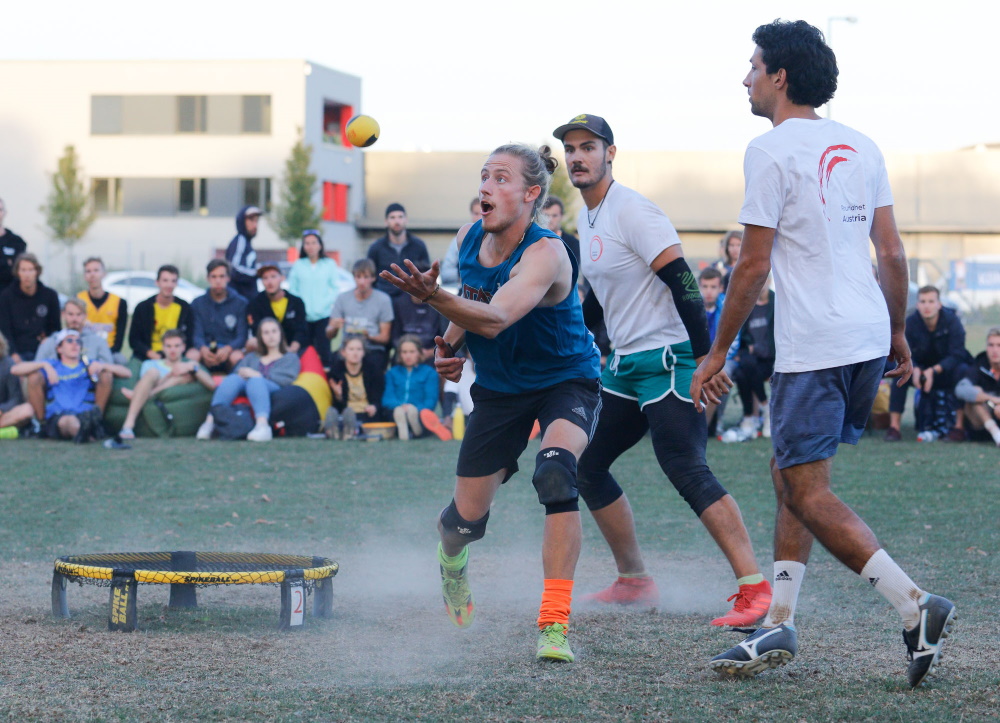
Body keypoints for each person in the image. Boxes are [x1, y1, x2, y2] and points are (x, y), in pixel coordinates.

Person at [692, 20, 954, 688]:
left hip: (815, 345)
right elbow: (890, 253)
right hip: (866, 334)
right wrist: (896, 332)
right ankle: (779, 620)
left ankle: (915, 604)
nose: (745, 76)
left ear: (779, 76)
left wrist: (716, 351)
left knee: (807, 489)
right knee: (790, 477)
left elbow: (751, 266)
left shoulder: (769, 149)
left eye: (752, 65)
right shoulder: (862, 145)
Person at [380, 142, 602, 663]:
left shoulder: (547, 252)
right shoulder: (467, 238)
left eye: (501, 178)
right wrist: (448, 346)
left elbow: (499, 316)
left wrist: (432, 298)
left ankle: (553, 623)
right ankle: (451, 563)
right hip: (501, 390)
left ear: (529, 194)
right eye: (484, 176)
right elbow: (475, 305)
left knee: (556, 473)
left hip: (565, 380)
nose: (486, 186)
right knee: (462, 522)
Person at [555, 114, 770, 626]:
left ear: (611, 153)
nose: (578, 156)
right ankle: (634, 581)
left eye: (588, 147)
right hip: (625, 365)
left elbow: (686, 283)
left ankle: (755, 588)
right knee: (586, 465)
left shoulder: (633, 209)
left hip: (671, 360)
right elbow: (600, 301)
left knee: (683, 464)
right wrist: (568, 343)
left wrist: (706, 357)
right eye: (570, 149)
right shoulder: (587, 216)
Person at [885, 286, 973, 442]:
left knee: (962, 370)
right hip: (919, 370)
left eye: (931, 301)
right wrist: (916, 368)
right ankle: (894, 428)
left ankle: (958, 427)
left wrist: (933, 371)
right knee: (901, 374)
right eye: (923, 301)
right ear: (917, 304)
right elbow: (903, 352)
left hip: (946, 371)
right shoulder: (910, 323)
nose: (927, 306)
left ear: (939, 304)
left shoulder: (952, 322)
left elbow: (958, 354)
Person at [13, 329, 130, 442]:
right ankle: (83, 431)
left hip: (85, 413)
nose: (74, 344)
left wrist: (104, 366)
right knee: (67, 422)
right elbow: (15, 369)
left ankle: (92, 423)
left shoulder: (88, 364)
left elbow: (127, 373)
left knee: (106, 375)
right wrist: (43, 365)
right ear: (59, 348)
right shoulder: (52, 365)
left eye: (78, 342)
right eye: (69, 341)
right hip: (60, 415)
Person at [196, 318, 301, 443]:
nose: (271, 336)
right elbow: (237, 371)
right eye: (266, 333)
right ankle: (210, 421)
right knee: (233, 378)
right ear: (260, 337)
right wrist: (242, 373)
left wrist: (257, 375)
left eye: (274, 331)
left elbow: (287, 379)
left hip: (274, 388)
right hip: (247, 387)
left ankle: (262, 426)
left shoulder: (290, 357)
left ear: (280, 334)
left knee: (255, 380)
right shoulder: (252, 357)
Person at [30, 298, 117, 422]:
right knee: (33, 376)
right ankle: (41, 423)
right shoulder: (52, 341)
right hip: (57, 387)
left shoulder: (97, 341)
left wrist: (98, 366)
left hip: (86, 388)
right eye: (70, 314)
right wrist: (46, 367)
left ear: (85, 316)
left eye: (78, 314)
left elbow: (109, 366)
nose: (74, 319)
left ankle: (96, 420)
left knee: (106, 375)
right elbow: (35, 366)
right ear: (63, 315)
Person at [118, 329, 214, 439]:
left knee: (183, 377)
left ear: (183, 347)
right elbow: (145, 385)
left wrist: (192, 368)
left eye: (176, 346)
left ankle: (135, 396)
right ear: (163, 348)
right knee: (154, 373)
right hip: (152, 389)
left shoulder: (189, 364)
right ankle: (128, 425)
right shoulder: (150, 364)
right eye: (168, 346)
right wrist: (170, 375)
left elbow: (211, 385)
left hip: (174, 404)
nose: (172, 350)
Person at [725, 282, 775, 440]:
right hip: (750, 356)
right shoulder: (749, 303)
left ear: (769, 281)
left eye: (764, 281)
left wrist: (758, 348)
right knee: (742, 371)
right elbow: (743, 333)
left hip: (771, 358)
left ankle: (750, 417)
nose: (761, 285)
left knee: (745, 370)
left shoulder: (776, 302)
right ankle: (764, 409)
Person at [287, 229, 342, 367]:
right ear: (303, 246)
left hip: (323, 315)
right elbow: (293, 289)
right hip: (303, 317)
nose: (310, 246)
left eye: (313, 243)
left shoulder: (329, 264)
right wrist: (300, 306)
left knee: (324, 351)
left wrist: (325, 303)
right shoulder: (298, 265)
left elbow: (334, 288)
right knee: (305, 351)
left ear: (320, 245)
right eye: (307, 243)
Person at [327, 259, 394, 371]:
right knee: (334, 361)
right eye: (358, 277)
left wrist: (369, 336)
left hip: (372, 348)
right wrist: (334, 327)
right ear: (354, 277)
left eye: (366, 277)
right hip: (348, 348)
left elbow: (385, 337)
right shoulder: (342, 298)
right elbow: (329, 334)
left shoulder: (383, 300)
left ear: (373, 278)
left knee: (374, 363)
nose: (362, 281)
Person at [383, 335, 450, 441]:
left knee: (416, 413)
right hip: (397, 412)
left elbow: (430, 402)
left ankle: (416, 429)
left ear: (419, 353)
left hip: (419, 414)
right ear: (399, 354)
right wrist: (400, 406)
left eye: (412, 351)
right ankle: (405, 431)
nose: (408, 355)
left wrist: (413, 409)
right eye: (404, 352)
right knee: (397, 412)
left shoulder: (429, 373)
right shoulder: (392, 373)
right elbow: (387, 398)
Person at [699, 266, 738, 437]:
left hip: (723, 359)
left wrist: (715, 362)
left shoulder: (728, 307)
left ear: (721, 288)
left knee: (720, 375)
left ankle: (705, 428)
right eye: (705, 286)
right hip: (695, 358)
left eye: (713, 287)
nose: (709, 292)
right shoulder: (691, 306)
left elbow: (734, 341)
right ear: (699, 287)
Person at [0, 253, 61, 362]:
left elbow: (56, 328)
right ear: (17, 272)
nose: (27, 274)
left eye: (30, 270)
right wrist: (13, 354)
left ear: (37, 271)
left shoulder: (49, 295)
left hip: (43, 351)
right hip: (16, 352)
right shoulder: (6, 296)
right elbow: (5, 330)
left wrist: (47, 339)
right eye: (23, 270)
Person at [129, 265, 196, 362]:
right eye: (165, 280)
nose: (169, 285)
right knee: (133, 370)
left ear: (177, 283)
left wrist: (174, 354)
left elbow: (189, 338)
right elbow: (134, 340)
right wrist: (151, 354)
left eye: (173, 281)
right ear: (157, 282)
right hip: (147, 355)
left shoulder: (184, 308)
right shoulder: (143, 307)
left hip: (176, 355)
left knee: (194, 357)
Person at [191, 259, 248, 373]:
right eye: (214, 276)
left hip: (229, 348)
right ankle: (193, 388)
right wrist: (202, 348)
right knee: (191, 355)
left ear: (228, 278)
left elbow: (242, 335)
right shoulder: (197, 303)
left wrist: (228, 349)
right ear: (208, 278)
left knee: (237, 357)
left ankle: (236, 387)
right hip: (206, 347)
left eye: (222, 276)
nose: (218, 281)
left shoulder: (241, 303)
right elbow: (196, 333)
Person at [325, 334, 385, 439]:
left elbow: (378, 395)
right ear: (343, 352)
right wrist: (338, 396)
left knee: (367, 422)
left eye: (359, 349)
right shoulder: (336, 372)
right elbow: (338, 404)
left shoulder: (373, 370)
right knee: (336, 414)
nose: (355, 353)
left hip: (366, 412)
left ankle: (348, 431)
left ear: (364, 352)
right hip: (345, 412)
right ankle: (337, 431)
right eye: (351, 349)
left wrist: (374, 406)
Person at [367, 203, 430, 297]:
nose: (397, 221)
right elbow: (369, 277)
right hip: (383, 298)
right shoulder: (376, 248)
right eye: (392, 217)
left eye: (400, 217)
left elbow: (426, 275)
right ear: (386, 221)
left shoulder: (419, 246)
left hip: (411, 300)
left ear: (406, 219)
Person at [246, 265, 308, 355]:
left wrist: (292, 349)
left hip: (293, 348)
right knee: (252, 343)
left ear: (282, 278)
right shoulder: (255, 303)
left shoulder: (296, 302)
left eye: (273, 276)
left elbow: (301, 329)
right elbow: (256, 329)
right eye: (265, 278)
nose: (269, 282)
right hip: (267, 347)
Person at [390, 270, 448, 364]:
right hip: (404, 352)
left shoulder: (441, 304)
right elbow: (395, 336)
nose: (421, 287)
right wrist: (407, 351)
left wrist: (431, 352)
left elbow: (446, 337)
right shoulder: (399, 303)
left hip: (431, 353)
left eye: (424, 283)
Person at [955, 327, 1000, 447]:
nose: (995, 350)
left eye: (999, 345)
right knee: (975, 393)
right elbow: (961, 389)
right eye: (991, 345)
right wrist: (991, 399)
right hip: (981, 423)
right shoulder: (980, 364)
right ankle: (996, 434)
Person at [77, 257, 128, 360]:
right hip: (84, 349)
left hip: (110, 350)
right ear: (84, 276)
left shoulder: (119, 302)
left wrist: (107, 353)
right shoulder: (78, 300)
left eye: (96, 270)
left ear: (104, 274)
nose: (92, 274)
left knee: (121, 360)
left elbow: (119, 340)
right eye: (88, 271)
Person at [441, 199, 483, 285]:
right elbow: (445, 273)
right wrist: (464, 273)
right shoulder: (458, 240)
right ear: (471, 214)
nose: (479, 217)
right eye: (476, 214)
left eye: (482, 213)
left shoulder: (497, 240)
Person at [225, 205, 263, 301]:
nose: (255, 225)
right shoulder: (240, 240)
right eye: (251, 220)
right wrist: (257, 272)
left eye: (256, 221)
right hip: (240, 301)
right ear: (242, 221)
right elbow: (233, 268)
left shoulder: (246, 242)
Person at [0, 330, 33, 434]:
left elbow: (15, 398)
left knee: (27, 410)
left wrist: (1, 409)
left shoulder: (8, 364)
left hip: (3, 413)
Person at [0, 197, 28, 295]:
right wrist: (6, 263)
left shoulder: (16, 242)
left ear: (4, 212)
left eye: (0, 210)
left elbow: (18, 272)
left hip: (10, 299)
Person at [541, 196, 580, 263]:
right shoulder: (532, 240)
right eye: (546, 215)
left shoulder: (572, 243)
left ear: (561, 216)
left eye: (554, 215)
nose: (550, 220)